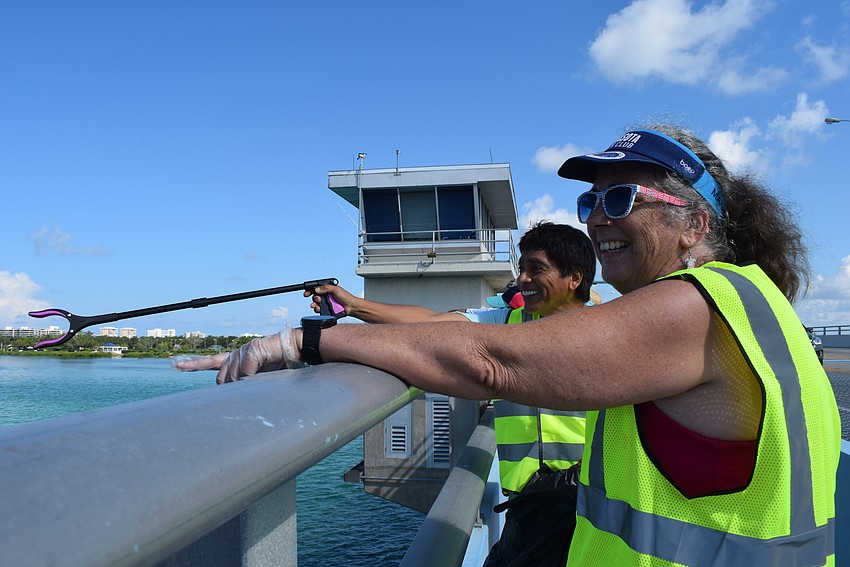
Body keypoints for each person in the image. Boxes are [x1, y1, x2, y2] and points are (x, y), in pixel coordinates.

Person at [180, 124, 840, 565]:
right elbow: (463, 332)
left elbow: (489, 358)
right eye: (589, 204)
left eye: (618, 197)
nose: (599, 218)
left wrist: (312, 340)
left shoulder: (696, 308)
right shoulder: (753, 306)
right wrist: (352, 310)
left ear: (693, 222)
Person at [306, 222, 596, 565]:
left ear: (574, 278)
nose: (523, 279)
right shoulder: (504, 323)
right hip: (525, 503)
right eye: (522, 268)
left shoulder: (602, 332)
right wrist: (354, 306)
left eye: (537, 269)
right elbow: (431, 322)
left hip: (583, 503)